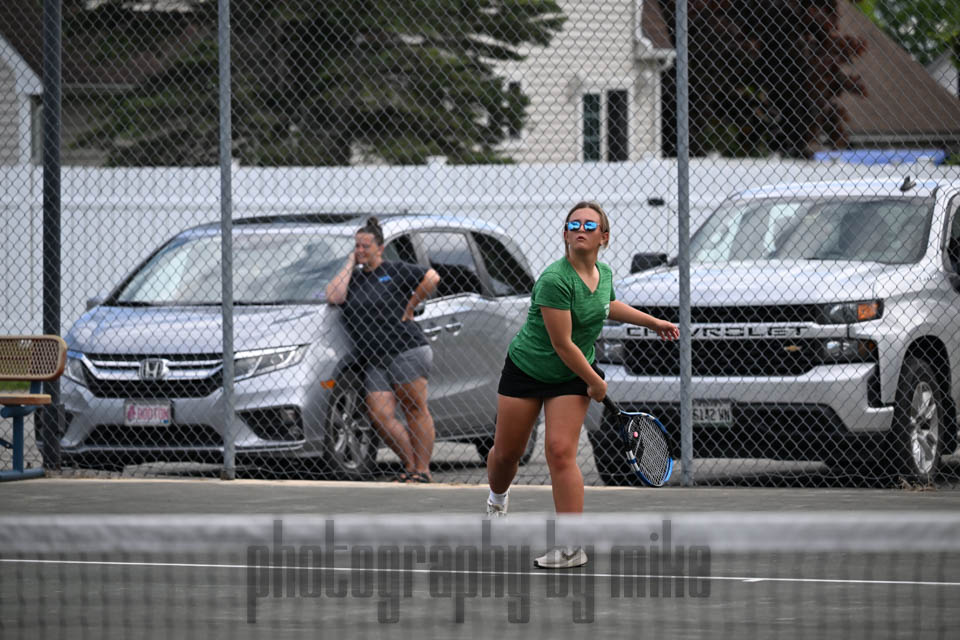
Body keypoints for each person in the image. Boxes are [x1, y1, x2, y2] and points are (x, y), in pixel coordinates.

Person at [484, 201, 679, 568]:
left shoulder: (603, 274)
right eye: (574, 225)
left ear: (604, 237)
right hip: (528, 369)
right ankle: (497, 499)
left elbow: (607, 306)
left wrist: (653, 322)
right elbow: (562, 344)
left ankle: (571, 547)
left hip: (571, 375)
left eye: (590, 225)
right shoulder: (554, 280)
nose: (580, 230)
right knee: (507, 455)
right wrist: (596, 381)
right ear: (565, 235)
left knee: (560, 451)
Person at [326, 217, 441, 483]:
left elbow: (432, 277)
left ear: (380, 248)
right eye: (357, 246)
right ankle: (411, 466)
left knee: (414, 409)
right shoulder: (354, 279)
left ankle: (422, 470)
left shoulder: (395, 270)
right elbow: (334, 296)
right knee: (380, 415)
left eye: (366, 246)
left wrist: (411, 305)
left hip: (406, 350)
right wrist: (350, 263)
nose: (360, 250)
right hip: (374, 358)